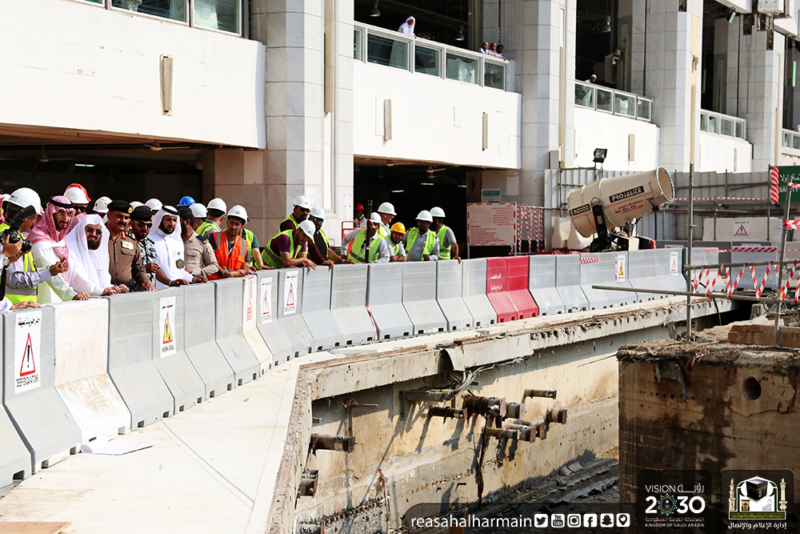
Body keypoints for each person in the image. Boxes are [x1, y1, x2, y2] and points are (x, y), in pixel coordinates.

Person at [2, 188, 65, 304]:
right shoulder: (10, 238)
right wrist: (47, 274)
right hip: (13, 310)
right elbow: (14, 279)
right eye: (35, 217)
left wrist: (50, 270)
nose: (35, 222)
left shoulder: (13, 235)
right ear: (26, 217)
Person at [29, 197, 91, 302]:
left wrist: (99, 290)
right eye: (61, 213)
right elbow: (50, 274)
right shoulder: (38, 239)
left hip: (62, 301)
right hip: (44, 302)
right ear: (51, 214)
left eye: (69, 214)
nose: (65, 219)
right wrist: (71, 295)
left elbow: (74, 271)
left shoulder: (60, 239)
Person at [64, 215, 121, 296]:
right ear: (81, 230)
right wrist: (100, 291)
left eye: (98, 232)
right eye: (90, 230)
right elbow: (78, 280)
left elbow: (101, 281)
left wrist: (114, 288)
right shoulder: (69, 249)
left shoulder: (97, 254)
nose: (94, 234)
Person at [106, 200, 154, 292]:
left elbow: (138, 268)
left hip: (125, 292)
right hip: (103, 292)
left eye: (126, 218)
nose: (123, 221)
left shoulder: (131, 240)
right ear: (109, 215)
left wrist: (145, 282)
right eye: (119, 216)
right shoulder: (98, 236)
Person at [149, 206, 201, 288]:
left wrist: (193, 279)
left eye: (174, 220)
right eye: (168, 220)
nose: (172, 223)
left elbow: (180, 270)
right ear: (160, 219)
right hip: (155, 292)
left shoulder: (177, 242)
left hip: (175, 292)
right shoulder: (149, 239)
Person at [206, 205, 253, 278]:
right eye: (231, 223)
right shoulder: (214, 237)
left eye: (237, 224)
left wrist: (233, 274)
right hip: (213, 282)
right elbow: (209, 260)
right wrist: (223, 272)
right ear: (227, 222)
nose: (233, 227)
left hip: (232, 284)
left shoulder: (244, 244)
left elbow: (244, 269)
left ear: (242, 226)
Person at [179, 207, 220, 278]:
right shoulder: (174, 241)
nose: (175, 225)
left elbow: (214, 266)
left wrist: (194, 273)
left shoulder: (201, 242)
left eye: (178, 221)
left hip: (194, 284)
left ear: (187, 222)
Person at [128, 206, 160, 289]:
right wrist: (145, 268)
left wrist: (170, 282)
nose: (145, 228)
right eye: (141, 224)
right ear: (131, 224)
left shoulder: (150, 243)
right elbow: (120, 271)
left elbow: (156, 270)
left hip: (149, 292)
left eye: (149, 225)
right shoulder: (126, 243)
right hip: (131, 293)